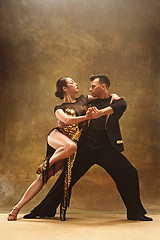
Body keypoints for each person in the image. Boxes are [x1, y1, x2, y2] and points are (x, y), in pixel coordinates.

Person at [23, 74, 153, 222]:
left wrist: (101, 112)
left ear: (103, 86)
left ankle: (135, 213)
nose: (90, 88)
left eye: (93, 86)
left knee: (129, 173)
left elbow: (122, 105)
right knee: (66, 178)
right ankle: (44, 210)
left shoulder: (115, 102)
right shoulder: (86, 102)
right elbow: (71, 112)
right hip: (84, 148)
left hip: (106, 149)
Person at [7, 76, 121, 221]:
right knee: (71, 146)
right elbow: (66, 120)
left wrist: (115, 96)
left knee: (43, 178)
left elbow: (103, 95)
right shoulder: (59, 109)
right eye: (72, 82)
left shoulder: (84, 99)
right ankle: (46, 164)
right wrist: (86, 117)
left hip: (68, 149)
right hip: (58, 138)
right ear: (65, 88)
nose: (77, 83)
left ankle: (16, 208)